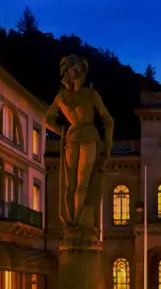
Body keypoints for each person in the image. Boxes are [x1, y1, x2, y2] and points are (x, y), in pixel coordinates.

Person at [44, 55, 113, 230]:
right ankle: (73, 222)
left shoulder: (89, 95)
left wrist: (107, 152)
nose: (74, 74)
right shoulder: (63, 97)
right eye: (71, 70)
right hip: (76, 137)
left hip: (85, 137)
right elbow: (47, 120)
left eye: (76, 70)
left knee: (80, 182)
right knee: (73, 183)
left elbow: (108, 121)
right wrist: (63, 132)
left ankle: (79, 221)